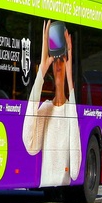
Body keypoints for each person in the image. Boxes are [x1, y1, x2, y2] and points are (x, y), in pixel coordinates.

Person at [22, 20, 81, 187]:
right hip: (46, 186)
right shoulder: (46, 109)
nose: (59, 65)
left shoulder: (70, 111)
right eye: (56, 61)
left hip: (64, 192)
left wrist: (70, 79)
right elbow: (29, 144)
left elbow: (75, 170)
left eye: (63, 59)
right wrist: (42, 69)